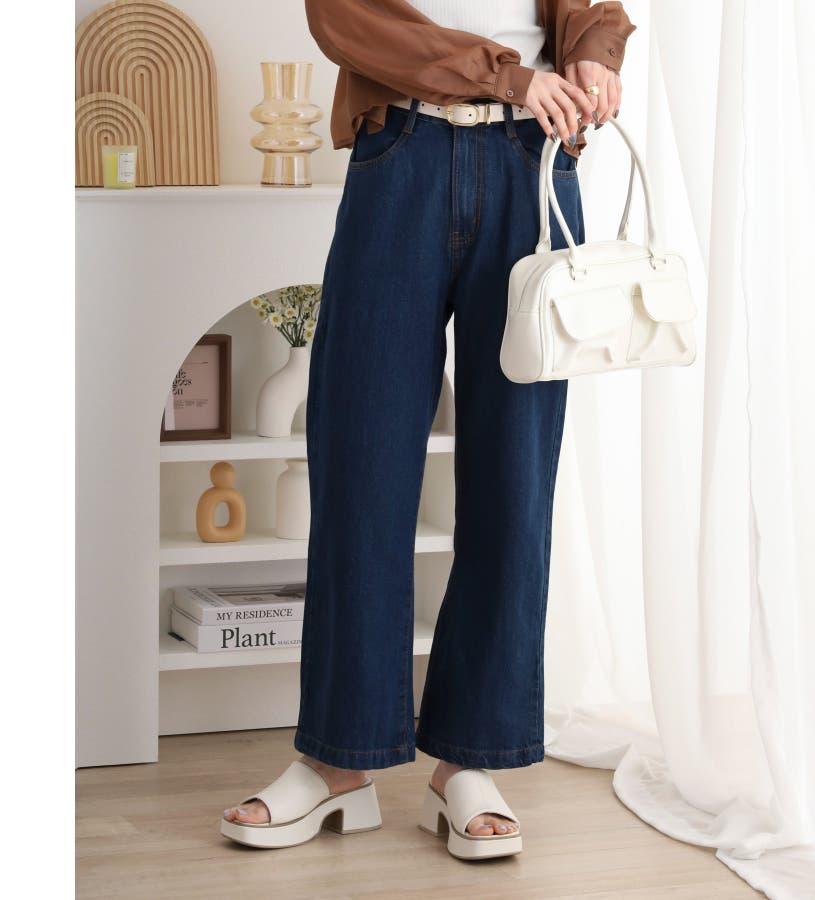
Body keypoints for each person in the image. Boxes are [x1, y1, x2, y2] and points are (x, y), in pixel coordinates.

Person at [221, 0, 636, 859]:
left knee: (513, 479)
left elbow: (593, 9)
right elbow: (342, 17)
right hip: (400, 154)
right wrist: (509, 76)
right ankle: (337, 761)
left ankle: (469, 762)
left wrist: (595, 54)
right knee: (361, 464)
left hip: (532, 164)